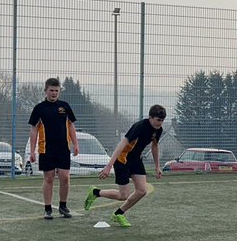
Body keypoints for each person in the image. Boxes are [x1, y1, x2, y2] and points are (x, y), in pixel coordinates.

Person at [84, 104, 166, 228]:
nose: (160, 123)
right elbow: (121, 145)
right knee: (123, 195)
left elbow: (155, 145)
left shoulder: (158, 130)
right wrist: (109, 166)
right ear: (150, 117)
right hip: (122, 160)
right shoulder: (139, 127)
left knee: (142, 191)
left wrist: (157, 166)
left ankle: (118, 213)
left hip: (136, 160)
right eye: (158, 120)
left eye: (162, 120)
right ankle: (96, 192)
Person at [27, 77, 80, 220]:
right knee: (49, 177)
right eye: (51, 90)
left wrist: (76, 144)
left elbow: (71, 126)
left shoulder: (65, 106)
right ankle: (48, 208)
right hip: (46, 149)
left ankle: (63, 206)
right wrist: (32, 151)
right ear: (45, 90)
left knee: (65, 177)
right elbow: (34, 130)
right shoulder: (39, 108)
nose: (54, 93)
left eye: (56, 91)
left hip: (63, 149)